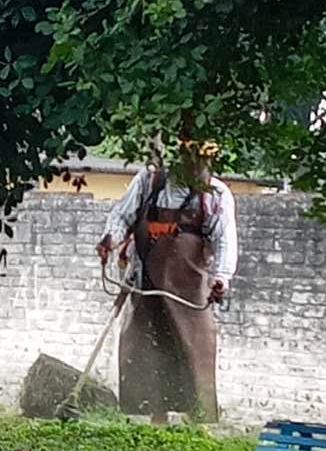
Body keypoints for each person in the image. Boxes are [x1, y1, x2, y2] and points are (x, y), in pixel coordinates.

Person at [95, 139, 238, 424]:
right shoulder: (148, 182)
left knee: (193, 352)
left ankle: (195, 424)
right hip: (146, 283)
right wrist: (111, 240)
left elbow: (224, 241)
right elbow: (122, 216)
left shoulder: (216, 194)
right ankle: (156, 423)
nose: (194, 165)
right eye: (188, 158)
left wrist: (222, 278)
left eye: (200, 159)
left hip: (189, 290)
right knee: (148, 350)